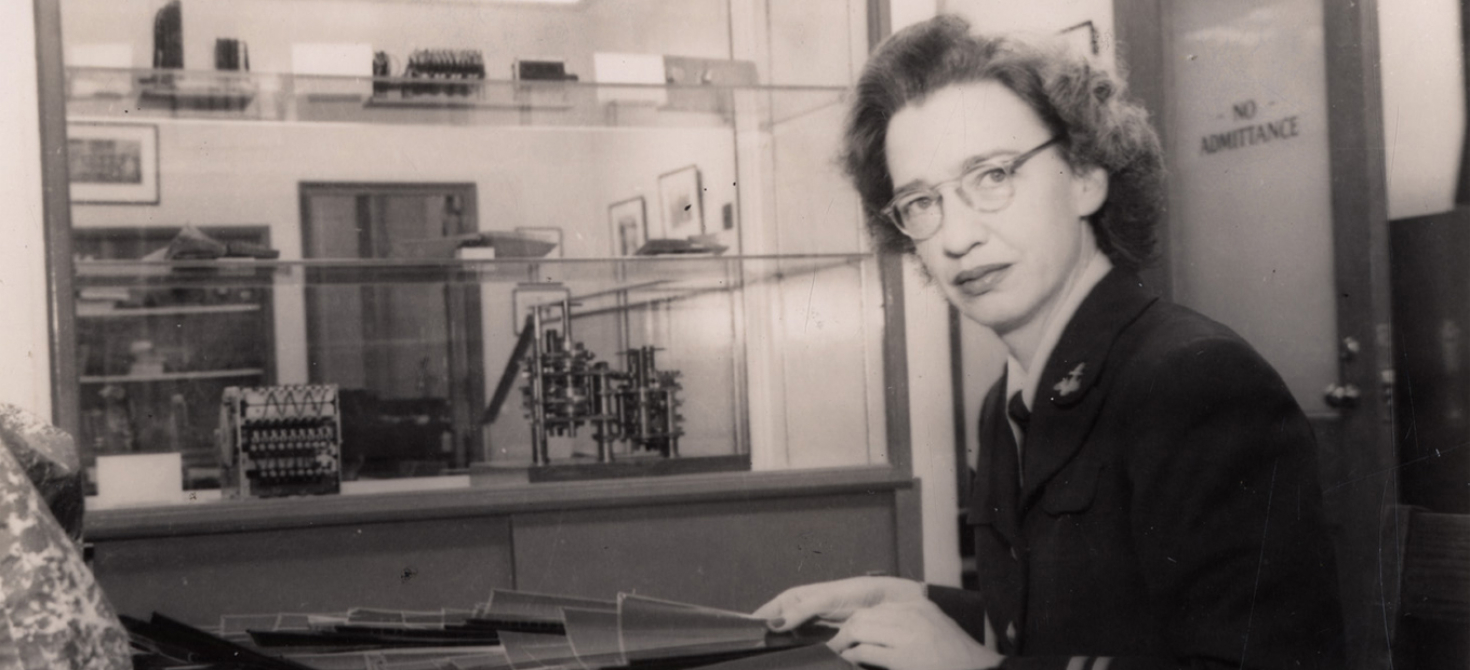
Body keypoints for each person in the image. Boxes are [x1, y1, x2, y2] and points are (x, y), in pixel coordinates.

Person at [754, 15, 1344, 670]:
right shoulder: (1009, 400)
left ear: (1086, 175)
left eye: (992, 176)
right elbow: (1075, 631)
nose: (956, 237)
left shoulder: (1194, 379)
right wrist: (909, 601)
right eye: (922, 202)